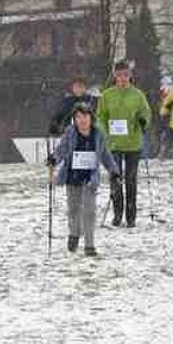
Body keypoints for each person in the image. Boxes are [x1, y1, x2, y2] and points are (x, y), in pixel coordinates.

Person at [48, 101, 120, 256]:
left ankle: (89, 245)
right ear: (74, 119)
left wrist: (114, 171)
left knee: (89, 211)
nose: (83, 120)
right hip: (72, 176)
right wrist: (54, 159)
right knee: (74, 209)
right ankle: (74, 233)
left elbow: (105, 154)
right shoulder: (70, 132)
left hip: (90, 178)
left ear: (91, 117)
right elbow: (62, 150)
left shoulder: (98, 134)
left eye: (85, 116)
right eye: (79, 117)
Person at [95, 60, 151, 228]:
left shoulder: (138, 95)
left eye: (126, 75)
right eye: (119, 75)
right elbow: (100, 116)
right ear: (115, 76)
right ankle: (118, 215)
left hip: (133, 144)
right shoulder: (107, 95)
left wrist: (143, 121)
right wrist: (103, 132)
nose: (122, 78)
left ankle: (131, 216)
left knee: (131, 180)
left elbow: (146, 112)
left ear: (130, 76)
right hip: (113, 145)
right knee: (116, 179)